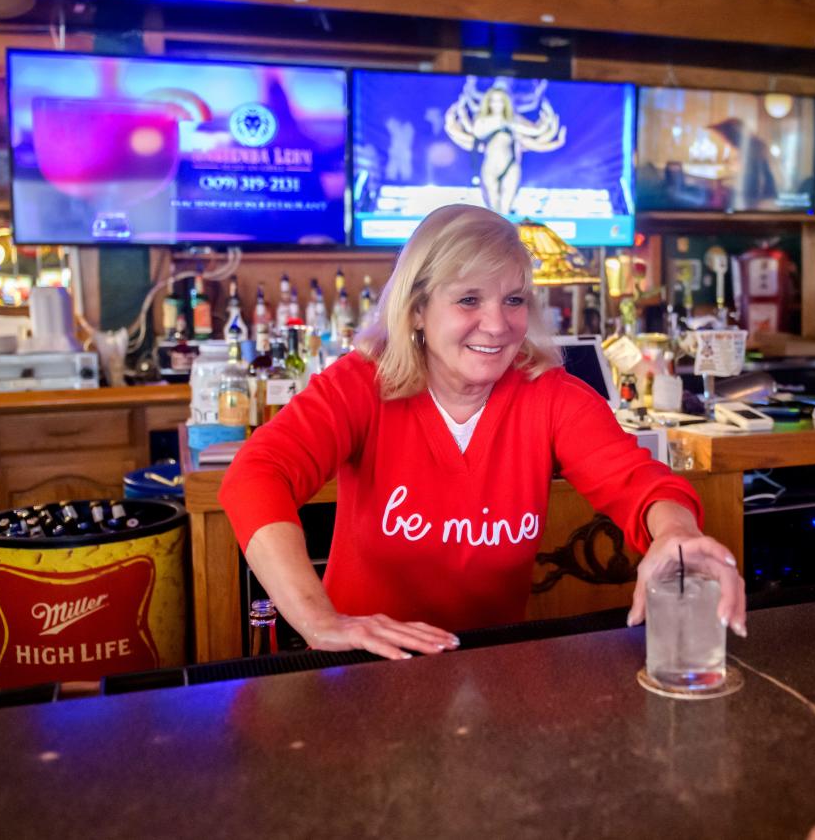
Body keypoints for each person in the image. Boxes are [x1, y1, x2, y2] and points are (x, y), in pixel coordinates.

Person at [219, 204, 746, 660]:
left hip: (493, 668)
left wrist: (676, 533)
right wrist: (319, 621)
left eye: (513, 300)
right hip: (366, 667)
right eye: (469, 300)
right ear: (417, 310)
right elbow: (257, 475)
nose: (497, 325)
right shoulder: (362, 385)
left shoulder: (550, 395)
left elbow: (639, 481)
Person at [444, 78, 567, 216]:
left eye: (500, 100)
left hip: (511, 167)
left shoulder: (514, 120)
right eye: (493, 101)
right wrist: (457, 116)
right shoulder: (484, 121)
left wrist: (554, 138)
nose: (497, 104)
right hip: (490, 168)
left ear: (506, 102)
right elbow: (470, 133)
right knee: (493, 211)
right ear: (488, 102)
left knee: (505, 210)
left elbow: (535, 136)